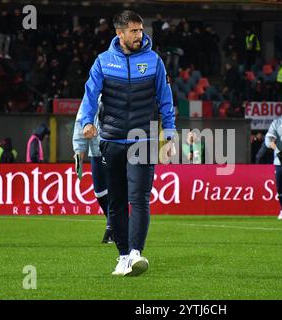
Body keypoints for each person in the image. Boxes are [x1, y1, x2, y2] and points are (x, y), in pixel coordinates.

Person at [78, 10, 176, 277]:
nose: (139, 35)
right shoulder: (103, 62)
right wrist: (87, 122)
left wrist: (169, 133)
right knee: (117, 202)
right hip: (111, 140)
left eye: (141, 30)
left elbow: (166, 99)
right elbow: (90, 95)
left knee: (140, 199)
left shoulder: (154, 61)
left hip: (142, 139)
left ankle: (136, 253)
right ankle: (123, 256)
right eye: (133, 31)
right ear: (119, 33)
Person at [73, 96, 114, 243]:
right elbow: (81, 121)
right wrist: (79, 150)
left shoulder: (119, 91)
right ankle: (117, 225)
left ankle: (111, 229)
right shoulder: (91, 95)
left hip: (115, 147)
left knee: (115, 191)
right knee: (100, 193)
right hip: (95, 151)